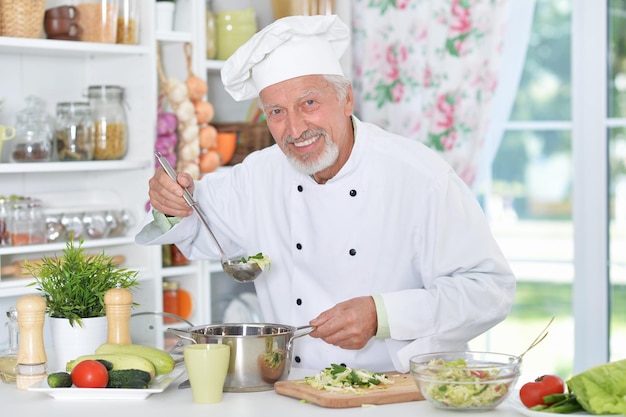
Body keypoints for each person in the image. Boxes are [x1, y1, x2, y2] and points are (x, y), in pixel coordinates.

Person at [136, 14, 515, 373]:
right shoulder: (258, 173)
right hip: (292, 389)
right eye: (277, 112)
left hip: (397, 391)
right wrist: (171, 200)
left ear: (346, 99)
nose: (295, 128)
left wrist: (383, 315)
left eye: (309, 103)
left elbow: (488, 290)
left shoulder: (420, 177)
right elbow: (200, 222)